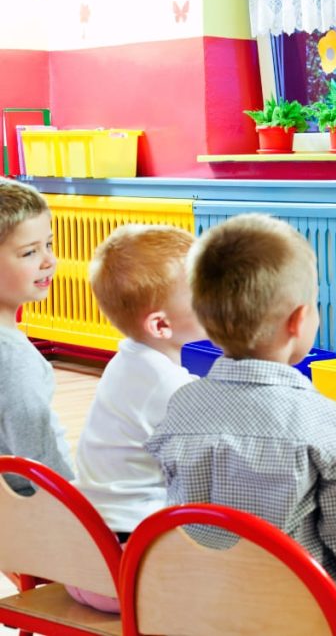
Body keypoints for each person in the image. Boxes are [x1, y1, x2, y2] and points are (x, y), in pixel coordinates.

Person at [146, 214, 336, 635]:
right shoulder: (326, 421)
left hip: (204, 606)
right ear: (298, 320)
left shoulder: (180, 408)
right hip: (303, 612)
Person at [67, 225, 205, 612]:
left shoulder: (128, 360)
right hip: (128, 571)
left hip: (85, 560)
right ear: (161, 325)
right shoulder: (168, 385)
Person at [0, 179, 73, 493]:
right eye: (29, 252)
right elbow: (39, 460)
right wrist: (78, 504)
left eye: (49, 244)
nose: (49, 260)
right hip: (33, 508)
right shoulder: (14, 359)